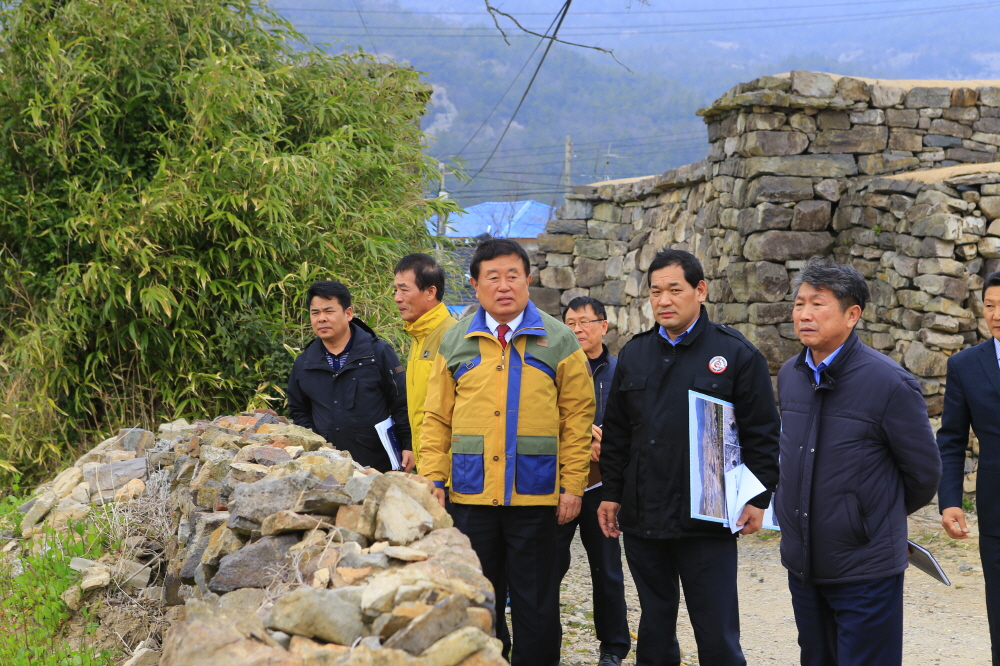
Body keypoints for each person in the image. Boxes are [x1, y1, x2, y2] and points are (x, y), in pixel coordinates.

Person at [598, 249, 780, 666]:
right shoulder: (635, 353)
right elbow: (618, 434)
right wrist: (612, 492)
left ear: (700, 291)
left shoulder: (735, 354)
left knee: (716, 631)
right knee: (655, 627)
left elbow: (764, 434)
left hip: (708, 521)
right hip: (644, 516)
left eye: (674, 290)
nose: (664, 300)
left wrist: (758, 498)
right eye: (656, 292)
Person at [420, 238, 595, 666]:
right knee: (480, 600)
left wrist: (573, 485)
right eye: (492, 277)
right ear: (475, 285)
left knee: (537, 605)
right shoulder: (455, 340)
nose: (504, 286)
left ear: (528, 281)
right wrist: (432, 479)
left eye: (513, 276)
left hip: (535, 497)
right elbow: (436, 417)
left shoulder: (559, 340)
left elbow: (577, 421)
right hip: (470, 495)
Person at [776, 258, 941, 666]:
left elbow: (923, 474)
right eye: (799, 304)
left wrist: (865, 517)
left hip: (865, 570)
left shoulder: (889, 383)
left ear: (853, 315)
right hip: (804, 564)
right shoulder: (790, 375)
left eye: (818, 304)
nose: (804, 314)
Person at [556, 296, 631, 666]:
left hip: (603, 487)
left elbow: (635, 423)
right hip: (557, 484)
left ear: (604, 326)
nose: (577, 330)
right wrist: (576, 439)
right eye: (570, 323)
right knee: (548, 567)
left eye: (585, 322)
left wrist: (609, 444)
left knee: (607, 569)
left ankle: (614, 648)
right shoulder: (551, 366)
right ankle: (543, 645)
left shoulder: (622, 371)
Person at [937, 270, 1000, 663]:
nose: (996, 315)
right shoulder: (965, 365)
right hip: (996, 511)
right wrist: (950, 500)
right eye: (990, 306)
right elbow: (952, 439)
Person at [287, 280, 414, 473]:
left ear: (348, 313)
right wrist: (316, 443)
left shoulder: (377, 353)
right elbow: (299, 410)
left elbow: (401, 402)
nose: (321, 318)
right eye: (315, 313)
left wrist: (408, 444)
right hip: (326, 466)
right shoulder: (304, 363)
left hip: (376, 463)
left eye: (329, 311)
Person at [393, 253, 457, 470]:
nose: (397, 298)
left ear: (430, 292)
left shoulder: (452, 336)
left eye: (404, 289)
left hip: (449, 471)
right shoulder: (418, 334)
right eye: (395, 290)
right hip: (428, 465)